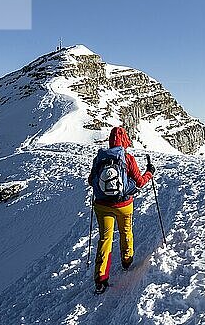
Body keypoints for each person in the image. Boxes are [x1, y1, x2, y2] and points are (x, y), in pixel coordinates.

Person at [87, 126, 155, 293]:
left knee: (105, 239)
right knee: (126, 231)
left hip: (102, 206)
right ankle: (126, 261)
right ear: (125, 140)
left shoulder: (99, 158)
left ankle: (101, 279)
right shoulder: (127, 158)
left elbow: (91, 180)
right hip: (124, 205)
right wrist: (150, 173)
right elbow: (139, 182)